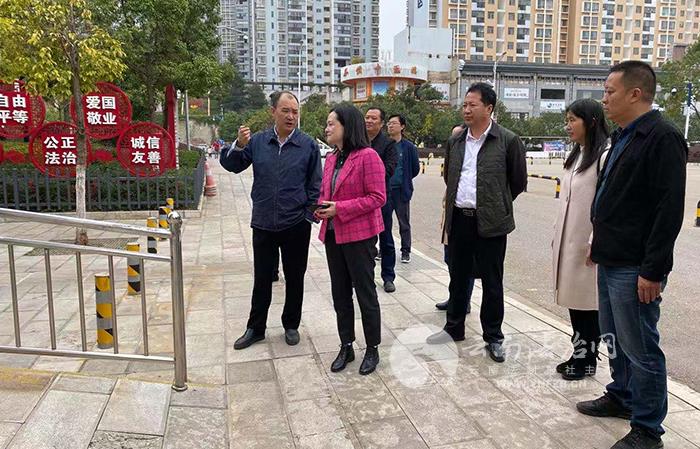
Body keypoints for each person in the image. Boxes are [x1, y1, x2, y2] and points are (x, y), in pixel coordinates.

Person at [575, 61, 687, 449]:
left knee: (641, 347)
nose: (604, 99)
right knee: (614, 338)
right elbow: (614, 197)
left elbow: (668, 210)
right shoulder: (624, 135)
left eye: (610, 92)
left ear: (635, 94)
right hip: (612, 257)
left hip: (636, 266)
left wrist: (652, 270)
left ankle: (648, 429)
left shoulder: (663, 137)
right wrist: (598, 244)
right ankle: (621, 395)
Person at [426, 82, 527, 365]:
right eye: (465, 105)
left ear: (489, 108)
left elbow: (517, 181)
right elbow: (450, 176)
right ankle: (454, 328)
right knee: (458, 276)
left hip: (492, 223)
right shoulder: (456, 141)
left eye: (473, 105)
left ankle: (493, 336)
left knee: (492, 282)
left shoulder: (508, 140)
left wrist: (495, 204)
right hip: (460, 219)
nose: (466, 110)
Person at [220, 91, 322, 350]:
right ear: (273, 112)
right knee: (262, 278)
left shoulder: (308, 145)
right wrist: (239, 144)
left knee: (295, 277)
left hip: (296, 224)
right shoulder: (258, 142)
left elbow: (315, 185)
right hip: (264, 221)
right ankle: (256, 328)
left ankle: (291, 324)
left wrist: (307, 216)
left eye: (295, 112)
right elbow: (232, 165)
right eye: (285, 110)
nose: (291, 116)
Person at [315, 104, 386, 375]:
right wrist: (320, 207)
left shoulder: (368, 157)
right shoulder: (332, 158)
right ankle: (346, 344)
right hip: (334, 235)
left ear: (347, 126)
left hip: (360, 237)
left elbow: (377, 197)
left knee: (365, 293)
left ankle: (372, 348)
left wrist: (340, 209)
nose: (327, 128)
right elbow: (327, 192)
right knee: (340, 294)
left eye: (331, 123)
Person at [551, 98, 609, 381]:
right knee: (574, 302)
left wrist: (596, 240)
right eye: (567, 120)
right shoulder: (578, 154)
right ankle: (578, 354)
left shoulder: (604, 156)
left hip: (587, 244)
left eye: (573, 120)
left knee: (589, 305)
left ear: (592, 121)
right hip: (569, 240)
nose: (568, 125)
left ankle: (588, 359)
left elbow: (605, 204)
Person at [435, 123, 475, 313]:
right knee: (450, 259)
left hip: (466, 220)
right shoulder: (453, 156)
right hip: (451, 216)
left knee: (466, 264)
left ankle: (463, 301)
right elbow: (448, 179)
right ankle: (455, 297)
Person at [365, 107, 398, 292]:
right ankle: (365, 276)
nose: (369, 121)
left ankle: (388, 277)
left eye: (373, 118)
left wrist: (367, 173)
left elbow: (389, 169)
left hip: (382, 198)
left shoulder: (388, 144)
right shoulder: (358, 141)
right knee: (365, 241)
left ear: (381, 123)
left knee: (386, 238)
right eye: (367, 117)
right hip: (362, 199)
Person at [384, 114, 420, 264]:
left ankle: (406, 251)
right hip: (386, 190)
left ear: (402, 126)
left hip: (401, 190)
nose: (390, 126)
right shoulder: (385, 145)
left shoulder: (409, 147)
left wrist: (404, 179)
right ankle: (385, 249)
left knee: (403, 222)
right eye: (389, 123)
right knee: (384, 223)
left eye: (394, 123)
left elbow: (415, 168)